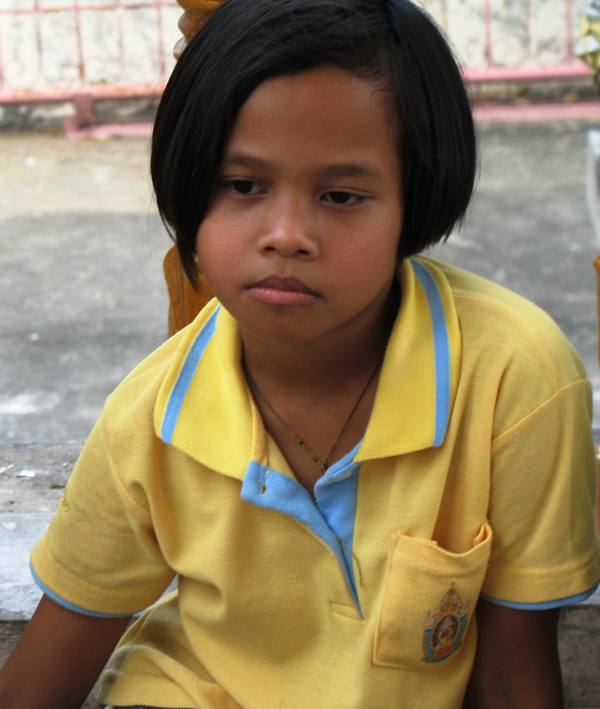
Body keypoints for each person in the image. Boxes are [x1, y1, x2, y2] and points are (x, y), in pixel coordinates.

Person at [1, 1, 599, 707]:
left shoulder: (514, 377)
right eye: (243, 185)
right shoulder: (149, 419)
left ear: (417, 202)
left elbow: (513, 674)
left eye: (341, 195)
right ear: (187, 187)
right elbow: (43, 679)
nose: (287, 235)